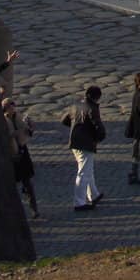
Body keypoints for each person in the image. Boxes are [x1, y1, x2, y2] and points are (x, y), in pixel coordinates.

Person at [62, 84, 106, 212]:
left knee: (88, 169)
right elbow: (98, 126)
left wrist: (75, 127)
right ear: (97, 98)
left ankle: (94, 194)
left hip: (75, 142)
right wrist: (99, 138)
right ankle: (79, 202)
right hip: (86, 143)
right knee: (84, 172)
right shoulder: (92, 108)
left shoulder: (76, 105)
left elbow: (64, 120)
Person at [1, 96, 39, 219]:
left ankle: (34, 208)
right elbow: (3, 137)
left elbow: (28, 132)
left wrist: (30, 127)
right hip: (11, 154)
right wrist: (13, 134)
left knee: (27, 182)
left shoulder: (19, 117)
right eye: (10, 106)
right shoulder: (3, 121)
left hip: (22, 151)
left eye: (13, 105)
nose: (12, 107)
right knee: (12, 183)